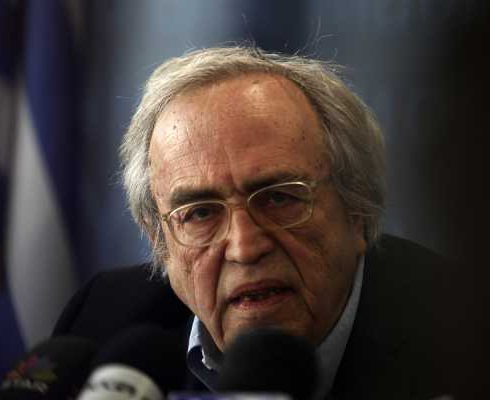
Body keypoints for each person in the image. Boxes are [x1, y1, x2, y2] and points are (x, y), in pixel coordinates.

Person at [53, 46, 453, 399]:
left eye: (279, 198)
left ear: (357, 210)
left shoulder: (464, 339)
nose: (244, 248)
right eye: (200, 213)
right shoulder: (104, 323)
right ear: (158, 237)